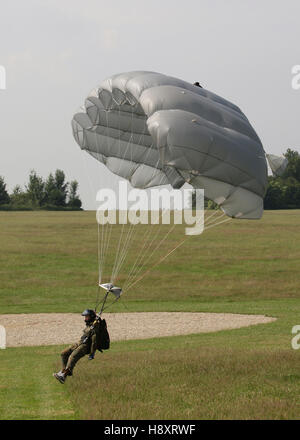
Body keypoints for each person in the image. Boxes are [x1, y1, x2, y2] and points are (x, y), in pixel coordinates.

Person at [53, 309, 101, 384]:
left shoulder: (95, 326)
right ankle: (63, 371)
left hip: (85, 346)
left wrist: (92, 353)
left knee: (72, 357)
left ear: (91, 317)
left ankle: (63, 376)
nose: (85, 319)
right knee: (63, 354)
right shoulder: (92, 323)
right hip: (80, 342)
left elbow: (94, 342)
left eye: (86, 317)